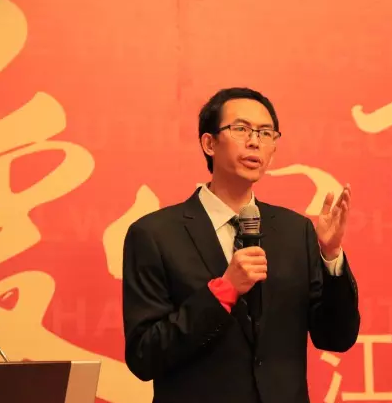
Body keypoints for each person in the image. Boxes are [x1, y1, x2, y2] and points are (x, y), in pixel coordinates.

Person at [122, 87, 360, 403]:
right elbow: (144, 355)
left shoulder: (295, 231)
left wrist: (331, 256)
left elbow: (336, 337)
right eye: (241, 129)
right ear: (209, 143)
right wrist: (224, 291)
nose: (254, 141)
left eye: (265, 133)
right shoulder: (155, 234)